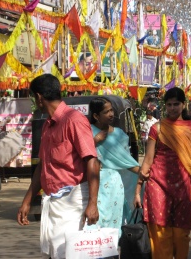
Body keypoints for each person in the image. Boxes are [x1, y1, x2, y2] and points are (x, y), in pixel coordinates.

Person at [17, 74, 100, 259]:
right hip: (54, 203)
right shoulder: (48, 125)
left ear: (39, 97)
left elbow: (92, 161)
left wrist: (92, 203)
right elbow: (42, 167)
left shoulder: (74, 120)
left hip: (74, 202)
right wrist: (27, 200)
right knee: (56, 254)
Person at [134, 87, 191, 259]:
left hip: (183, 185)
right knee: (160, 236)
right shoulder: (157, 128)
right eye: (169, 104)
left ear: (183, 105)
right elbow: (148, 160)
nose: (172, 108)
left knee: (181, 236)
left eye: (176, 104)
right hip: (158, 184)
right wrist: (137, 190)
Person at [89, 97, 140, 236]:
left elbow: (127, 162)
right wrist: (94, 141)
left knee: (113, 225)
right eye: (106, 112)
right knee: (94, 225)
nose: (111, 114)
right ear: (95, 116)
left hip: (114, 184)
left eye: (111, 110)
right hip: (94, 184)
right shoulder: (87, 132)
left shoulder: (120, 134)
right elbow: (79, 155)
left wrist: (145, 173)